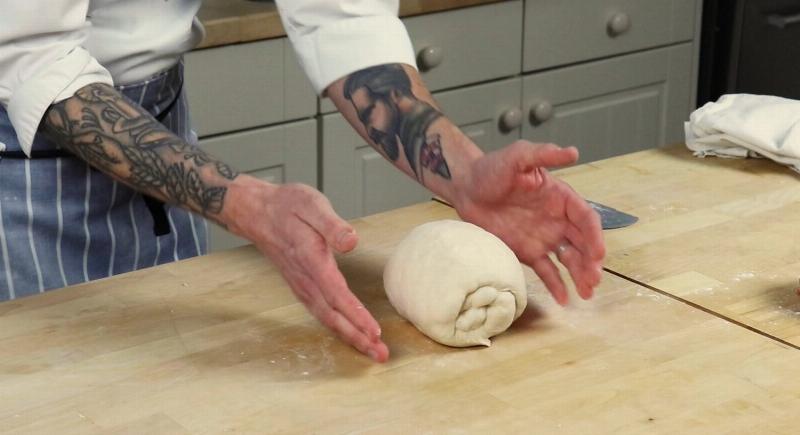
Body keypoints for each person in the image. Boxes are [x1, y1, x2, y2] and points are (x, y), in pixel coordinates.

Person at [0, 0, 605, 362]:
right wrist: (244, 203)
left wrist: (464, 171)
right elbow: (32, 57)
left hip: (162, 124)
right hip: (25, 163)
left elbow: (338, 13)